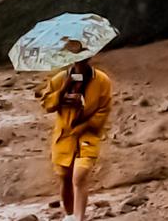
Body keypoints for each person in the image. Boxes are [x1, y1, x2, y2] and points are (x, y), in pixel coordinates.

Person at [39, 41, 113, 221]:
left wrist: (85, 116)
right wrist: (63, 92)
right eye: (75, 58)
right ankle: (70, 215)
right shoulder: (59, 79)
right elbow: (47, 103)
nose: (79, 62)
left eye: (83, 57)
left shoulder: (101, 80)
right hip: (64, 136)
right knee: (64, 177)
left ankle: (79, 218)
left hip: (88, 134)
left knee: (79, 176)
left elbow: (104, 108)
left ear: (89, 56)